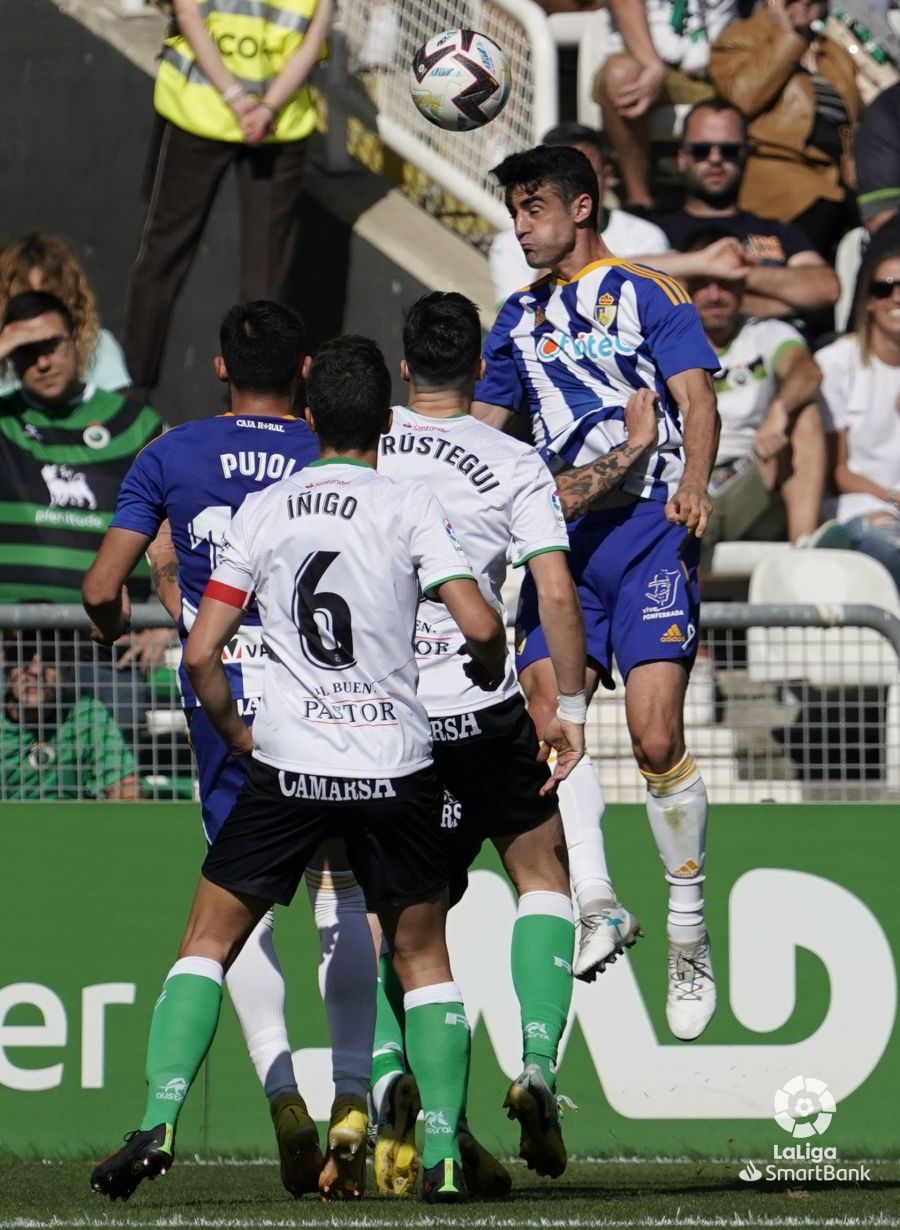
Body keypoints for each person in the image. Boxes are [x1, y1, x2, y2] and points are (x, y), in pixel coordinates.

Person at [89, 335, 510, 1206]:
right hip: (396, 765)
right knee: (423, 956)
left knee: (208, 942)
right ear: (383, 426)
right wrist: (486, 654)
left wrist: (237, 731)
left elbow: (203, 650)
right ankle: (438, 1153)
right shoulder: (407, 505)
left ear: (313, 416)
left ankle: (159, 1118)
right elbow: (475, 622)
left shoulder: (267, 511)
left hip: (289, 764)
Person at [83, 302, 375, 1198]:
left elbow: (102, 585)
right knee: (348, 891)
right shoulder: (335, 453)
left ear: (218, 369)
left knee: (227, 905)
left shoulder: (171, 451)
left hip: (225, 692)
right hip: (336, 697)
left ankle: (276, 1089)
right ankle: (355, 1099)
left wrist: (123, 622)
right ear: (307, 371)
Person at [472, 144, 722, 1042]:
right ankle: (598, 899)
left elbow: (697, 399)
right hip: (560, 547)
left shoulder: (651, 290)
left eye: (533, 205)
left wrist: (694, 478)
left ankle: (688, 928)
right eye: (514, 209)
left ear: (582, 207)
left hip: (651, 527)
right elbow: (484, 433)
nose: (520, 223)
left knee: (657, 736)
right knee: (550, 717)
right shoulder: (515, 320)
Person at [371, 291, 600, 1194]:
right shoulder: (513, 460)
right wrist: (568, 708)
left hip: (388, 715)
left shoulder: (365, 444)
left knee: (408, 920)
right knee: (542, 875)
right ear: (479, 370)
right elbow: (555, 590)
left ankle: (408, 1090)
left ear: (402, 365)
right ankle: (539, 1062)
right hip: (485, 705)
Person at [121, 0, 332, 398]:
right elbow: (314, 37)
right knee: (266, 276)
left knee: (163, 254)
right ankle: (257, 401)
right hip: (276, 122)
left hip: (202, 109)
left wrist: (239, 100)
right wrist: (266, 107)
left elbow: (187, 15)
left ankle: (132, 392)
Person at [0, 290, 167, 734]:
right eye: (25, 351)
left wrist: (165, 622)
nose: (41, 363)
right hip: (7, 643)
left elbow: (179, 528)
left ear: (78, 340)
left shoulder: (136, 425)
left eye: (50, 345)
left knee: (127, 726)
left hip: (104, 643)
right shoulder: (3, 419)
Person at [687, 232, 825, 558]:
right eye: (702, 284)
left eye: (725, 283)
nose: (715, 295)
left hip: (751, 477)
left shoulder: (766, 333)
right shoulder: (665, 343)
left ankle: (804, 554)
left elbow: (807, 371)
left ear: (743, 286)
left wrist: (779, 410)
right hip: (686, 482)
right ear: (685, 288)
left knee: (804, 414)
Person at [654, 99, 840, 322]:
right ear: (682, 159)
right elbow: (617, 281)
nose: (715, 159)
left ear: (745, 156)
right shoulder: (652, 233)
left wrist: (733, 270)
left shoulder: (778, 231)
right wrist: (781, 303)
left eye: (729, 151)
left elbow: (827, 289)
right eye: (701, 150)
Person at [709, 0, 861, 257]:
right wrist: (788, 37)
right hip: (779, 168)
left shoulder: (832, 52)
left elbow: (857, 115)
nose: (802, 3)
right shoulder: (741, 37)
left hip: (838, 171)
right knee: (825, 210)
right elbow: (743, 98)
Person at [489, 124, 671, 306]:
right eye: (557, 178)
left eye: (582, 176)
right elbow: (521, 321)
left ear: (607, 176)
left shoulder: (646, 235)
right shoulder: (508, 245)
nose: (520, 228)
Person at [592, 0, 737, 209]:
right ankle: (640, 203)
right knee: (622, 76)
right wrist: (652, 64)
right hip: (644, 59)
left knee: (760, 81)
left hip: (721, 64)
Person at [815, 251, 900, 589]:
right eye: (885, 288)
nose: (897, 296)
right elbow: (837, 473)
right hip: (857, 506)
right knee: (887, 543)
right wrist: (893, 500)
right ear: (866, 302)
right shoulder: (836, 362)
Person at [0, 627, 138, 801]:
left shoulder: (86, 715)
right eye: (24, 655)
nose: (36, 670)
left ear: (67, 666)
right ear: (5, 662)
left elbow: (125, 787)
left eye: (50, 657)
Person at [0, 232, 130, 396]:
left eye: (49, 297)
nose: (38, 310)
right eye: (27, 297)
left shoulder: (99, 347)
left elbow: (122, 413)